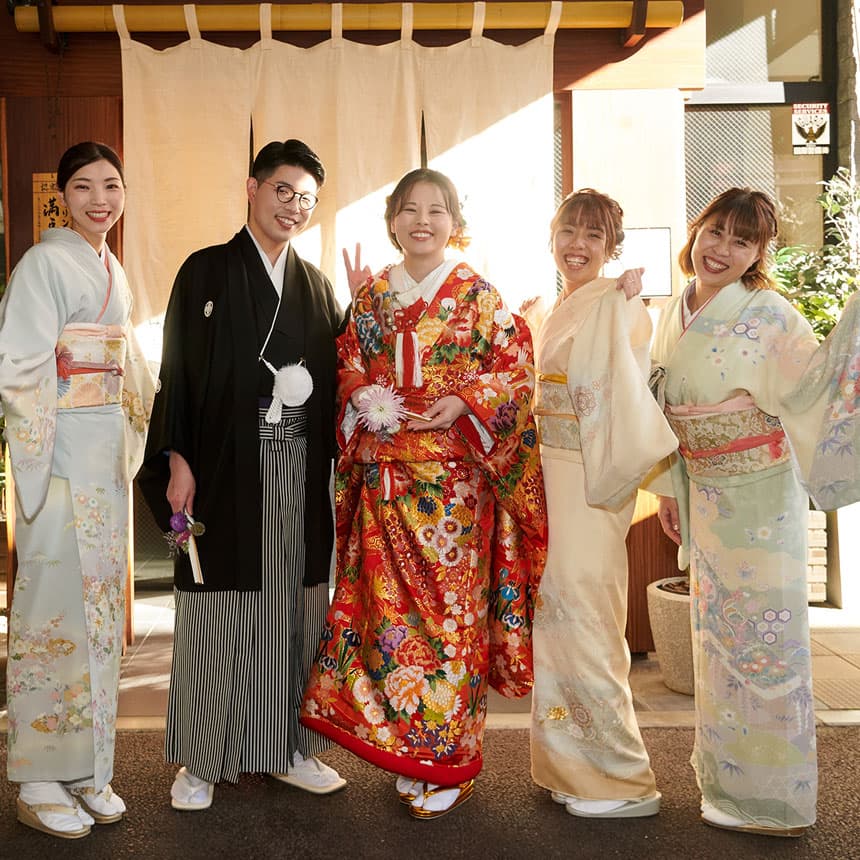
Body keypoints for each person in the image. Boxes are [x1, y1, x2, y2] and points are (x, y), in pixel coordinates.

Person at [300, 168, 548, 819]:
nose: (423, 221)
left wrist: (464, 401)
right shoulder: (375, 296)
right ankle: (414, 751)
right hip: (387, 483)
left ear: (454, 223)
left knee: (450, 625)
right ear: (391, 221)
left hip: (455, 493)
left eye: (437, 211)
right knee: (393, 626)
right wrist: (356, 392)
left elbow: (515, 370)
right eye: (411, 210)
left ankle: (450, 761)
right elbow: (348, 359)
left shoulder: (478, 295)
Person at [138, 139, 346, 810]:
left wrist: (369, 313)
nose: (294, 206)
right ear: (252, 188)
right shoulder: (204, 272)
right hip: (222, 469)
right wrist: (175, 456)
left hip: (295, 468)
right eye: (283, 191)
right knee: (219, 608)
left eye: (307, 198)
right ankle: (202, 759)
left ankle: (286, 748)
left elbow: (343, 382)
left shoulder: (314, 285)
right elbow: (178, 374)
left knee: (290, 611)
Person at [650, 187, 860, 837]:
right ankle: (728, 786)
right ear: (697, 231)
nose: (721, 249)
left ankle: (776, 798)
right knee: (717, 642)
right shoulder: (673, 306)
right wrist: (669, 489)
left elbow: (816, 385)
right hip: (705, 489)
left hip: (762, 498)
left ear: (758, 255)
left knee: (766, 644)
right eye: (716, 232)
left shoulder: (769, 314)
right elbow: (663, 401)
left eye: (742, 241)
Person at [1, 141, 155, 838]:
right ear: (61, 194)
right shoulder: (43, 263)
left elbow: (129, 360)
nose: (101, 199)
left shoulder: (109, 269)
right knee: (51, 611)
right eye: (86, 186)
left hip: (100, 460)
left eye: (112, 186)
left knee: (95, 620)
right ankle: (36, 771)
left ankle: (87, 766)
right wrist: (52, 431)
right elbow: (19, 362)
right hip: (60, 455)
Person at [524, 190, 677, 819]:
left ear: (612, 245)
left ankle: (617, 779)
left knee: (587, 613)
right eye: (568, 230)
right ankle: (570, 764)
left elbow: (623, 390)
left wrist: (625, 304)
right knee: (557, 616)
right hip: (551, 476)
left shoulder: (617, 304)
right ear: (552, 236)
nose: (577, 244)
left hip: (589, 478)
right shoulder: (554, 305)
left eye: (593, 234)